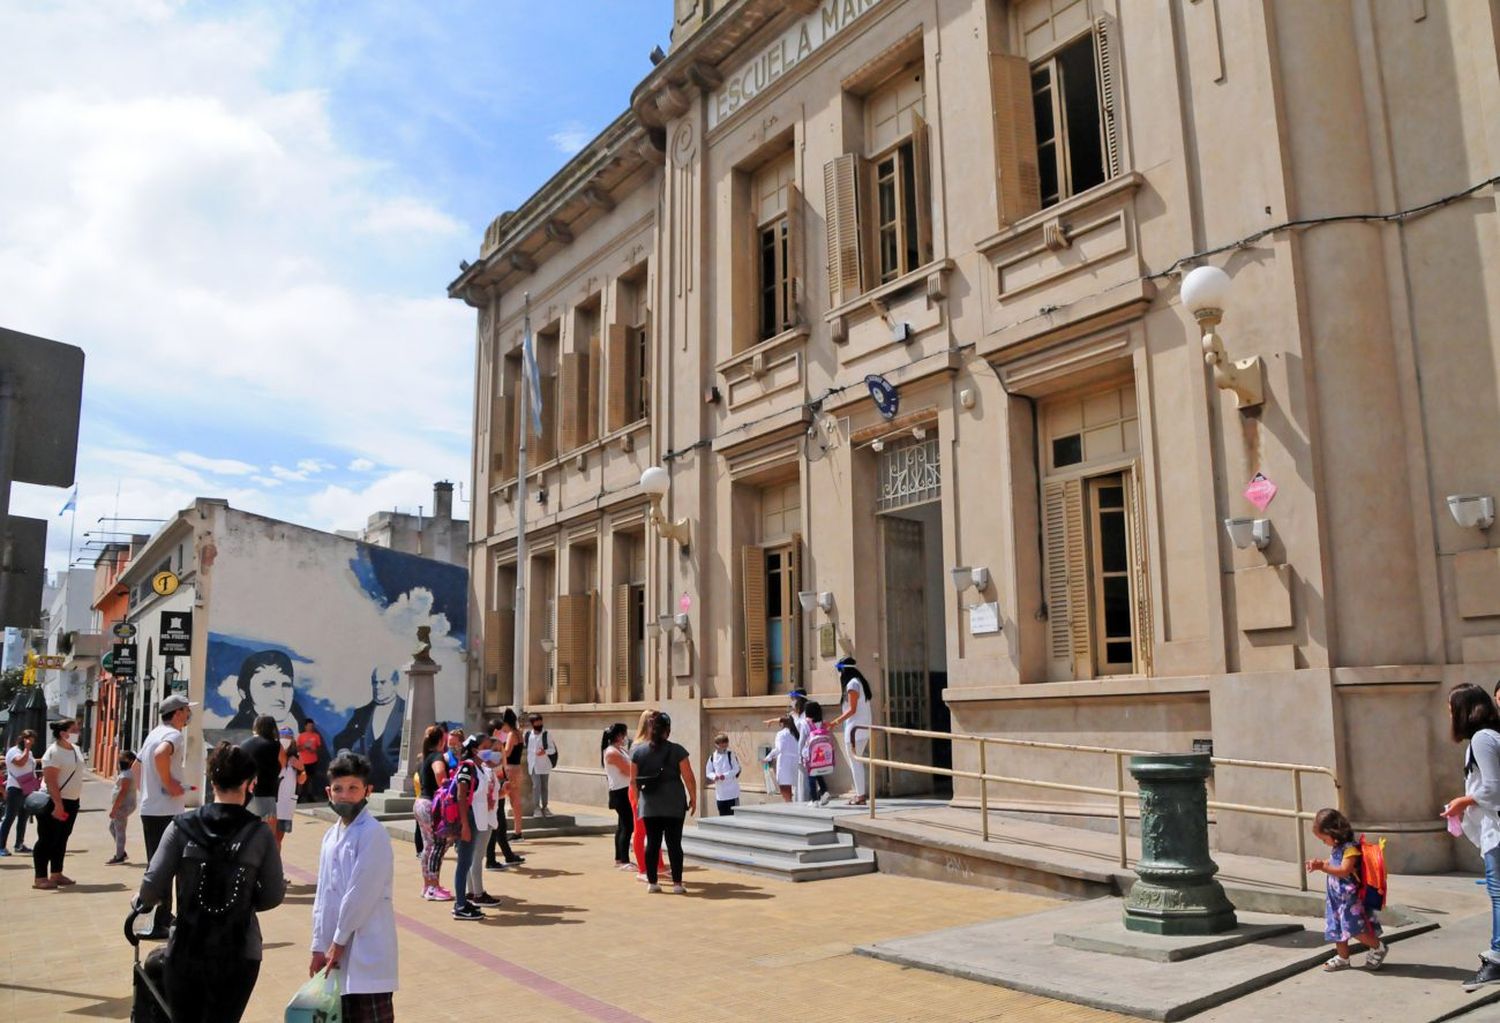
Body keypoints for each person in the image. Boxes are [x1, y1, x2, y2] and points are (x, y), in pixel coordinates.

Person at [134, 741, 284, 1022]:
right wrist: (242, 901)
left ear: (211, 780)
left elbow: (152, 884)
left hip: (187, 948)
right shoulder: (260, 834)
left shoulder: (180, 826)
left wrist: (141, 903)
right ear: (250, 784)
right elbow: (275, 894)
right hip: (240, 950)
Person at [311, 752, 399, 1023]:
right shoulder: (330, 835)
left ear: (367, 791)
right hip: (333, 950)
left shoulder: (372, 834)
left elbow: (361, 893)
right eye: (338, 789)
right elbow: (322, 894)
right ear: (328, 792)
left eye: (353, 788)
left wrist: (338, 941)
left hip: (365, 946)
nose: (345, 795)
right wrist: (318, 944)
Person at [1442, 682, 1500, 990]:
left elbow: (1492, 788)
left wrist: (1463, 801)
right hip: (1494, 828)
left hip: (1497, 831)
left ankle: (1498, 957)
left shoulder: (1482, 739)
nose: (1449, 714)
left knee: (1498, 893)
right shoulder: (1489, 737)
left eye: (1451, 708)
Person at [225, 650, 329, 795]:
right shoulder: (237, 731)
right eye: (268, 684)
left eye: (286, 685)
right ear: (243, 691)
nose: (280, 695)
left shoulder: (304, 726)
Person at [139, 694, 195, 936]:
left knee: (157, 863)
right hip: (166, 810)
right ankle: (161, 921)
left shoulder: (154, 732)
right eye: (186, 710)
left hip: (151, 808)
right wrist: (169, 783)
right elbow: (160, 755)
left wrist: (146, 790)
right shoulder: (173, 735)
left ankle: (161, 916)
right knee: (170, 865)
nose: (188, 714)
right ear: (178, 712)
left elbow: (137, 764)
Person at [1305, 807, 1387, 972]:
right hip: (1336, 898)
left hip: (1350, 900)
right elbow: (1331, 863)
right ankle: (1343, 958)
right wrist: (1320, 863)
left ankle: (1378, 947)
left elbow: (1344, 871)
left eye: (1323, 839)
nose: (1324, 842)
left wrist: (1322, 867)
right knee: (1337, 929)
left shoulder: (1350, 849)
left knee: (1354, 929)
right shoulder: (1337, 847)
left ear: (1333, 833)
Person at [630, 711, 697, 894]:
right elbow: (688, 777)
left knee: (652, 842)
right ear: (668, 731)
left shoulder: (638, 752)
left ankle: (652, 882)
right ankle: (677, 883)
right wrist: (693, 798)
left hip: (650, 803)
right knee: (674, 844)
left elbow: (632, 781)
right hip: (674, 803)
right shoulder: (677, 750)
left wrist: (637, 803)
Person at [33, 718, 86, 890]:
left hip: (72, 801)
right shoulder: (53, 752)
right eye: (74, 729)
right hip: (55, 801)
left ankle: (56, 872)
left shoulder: (75, 749)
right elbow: (51, 781)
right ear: (63, 733)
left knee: (62, 838)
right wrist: (58, 804)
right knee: (47, 839)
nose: (78, 732)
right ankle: (40, 877)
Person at [332, 668, 406, 791]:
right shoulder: (362, 713)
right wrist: (343, 751)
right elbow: (342, 738)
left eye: (383, 682)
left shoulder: (407, 711)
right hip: (365, 784)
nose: (377, 687)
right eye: (374, 682)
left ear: (395, 683)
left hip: (394, 785)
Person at [414, 724, 453, 901]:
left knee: (428, 846)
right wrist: (446, 787)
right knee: (438, 845)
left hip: (421, 803)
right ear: (442, 740)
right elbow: (440, 772)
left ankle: (427, 885)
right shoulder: (437, 756)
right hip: (432, 804)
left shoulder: (424, 757)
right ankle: (434, 887)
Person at [828, 657, 875, 806]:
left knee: (855, 763)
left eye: (840, 671)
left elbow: (852, 709)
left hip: (855, 730)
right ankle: (860, 794)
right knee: (857, 762)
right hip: (860, 729)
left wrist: (834, 722)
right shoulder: (858, 682)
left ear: (844, 670)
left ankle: (860, 796)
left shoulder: (852, 684)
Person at [465, 734, 502, 907]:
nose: (493, 754)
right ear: (475, 750)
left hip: (485, 817)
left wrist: (504, 792)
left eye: (496, 750)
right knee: (476, 857)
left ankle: (472, 892)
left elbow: (492, 795)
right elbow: (466, 794)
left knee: (474, 857)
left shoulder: (486, 771)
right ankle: (478, 893)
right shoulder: (472, 769)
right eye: (489, 749)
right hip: (478, 817)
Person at [450, 734, 485, 920]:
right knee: (463, 863)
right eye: (485, 747)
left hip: (474, 818)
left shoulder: (477, 767)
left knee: (467, 861)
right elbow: (460, 796)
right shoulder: (467, 766)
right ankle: (460, 905)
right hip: (468, 818)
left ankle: (463, 900)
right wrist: (464, 825)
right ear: (474, 749)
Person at [484, 718, 525, 870]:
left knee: (500, 823)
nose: (505, 733)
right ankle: (491, 860)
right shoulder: (488, 747)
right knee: (495, 823)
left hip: (499, 784)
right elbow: (492, 764)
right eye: (501, 731)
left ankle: (507, 855)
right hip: (493, 786)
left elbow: (503, 764)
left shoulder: (496, 745)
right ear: (496, 731)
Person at [240, 714, 283, 833]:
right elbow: (282, 765)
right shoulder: (275, 746)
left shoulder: (244, 744)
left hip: (245, 796)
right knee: (268, 836)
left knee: (247, 833)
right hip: (267, 794)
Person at [0, 728, 38, 855]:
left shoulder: (29, 753)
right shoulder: (13, 752)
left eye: (32, 742)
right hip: (15, 788)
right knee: (9, 817)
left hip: (26, 789)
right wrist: (27, 749)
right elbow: (20, 763)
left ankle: (19, 844)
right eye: (28, 741)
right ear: (21, 739)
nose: (30, 743)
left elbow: (31, 767)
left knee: (23, 817)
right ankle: (1, 846)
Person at [602, 723, 634, 866]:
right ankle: (624, 860)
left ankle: (619, 858)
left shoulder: (619, 750)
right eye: (624, 734)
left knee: (623, 825)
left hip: (625, 790)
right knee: (627, 826)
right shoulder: (611, 752)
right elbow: (628, 770)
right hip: (619, 792)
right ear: (619, 735)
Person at [275, 727, 305, 853]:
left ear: (292, 740)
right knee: (269, 836)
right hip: (272, 800)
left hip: (287, 802)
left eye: (288, 737)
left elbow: (302, 780)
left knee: (279, 836)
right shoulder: (272, 752)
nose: (285, 740)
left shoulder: (296, 756)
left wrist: (301, 768)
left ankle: (275, 863)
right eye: (283, 737)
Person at [106, 750, 139, 864]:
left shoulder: (127, 774)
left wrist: (114, 809)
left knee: (119, 830)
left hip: (123, 806)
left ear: (130, 760)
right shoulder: (127, 773)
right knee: (112, 828)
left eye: (123, 759)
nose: (120, 761)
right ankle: (121, 852)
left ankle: (119, 856)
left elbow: (122, 792)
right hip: (122, 805)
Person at [499, 709, 525, 840]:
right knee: (516, 800)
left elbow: (507, 752)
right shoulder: (518, 733)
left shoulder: (511, 735)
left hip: (510, 769)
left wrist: (498, 749)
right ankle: (518, 830)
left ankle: (517, 831)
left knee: (513, 800)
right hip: (517, 768)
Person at [802, 701, 835, 806]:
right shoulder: (822, 723)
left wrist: (800, 753)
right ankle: (824, 791)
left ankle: (814, 799)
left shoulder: (805, 723)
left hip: (810, 753)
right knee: (818, 773)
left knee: (811, 775)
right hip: (822, 755)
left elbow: (802, 739)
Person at [525, 714, 557, 816]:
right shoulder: (528, 735)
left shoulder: (546, 734)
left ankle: (545, 807)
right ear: (532, 723)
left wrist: (545, 752)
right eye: (537, 722)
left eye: (540, 722)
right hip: (533, 764)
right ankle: (536, 808)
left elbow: (553, 749)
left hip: (544, 764)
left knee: (544, 786)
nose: (539, 724)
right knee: (536, 785)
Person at [766, 715, 801, 803]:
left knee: (784, 786)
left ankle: (788, 803)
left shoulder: (781, 734)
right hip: (795, 761)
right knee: (795, 784)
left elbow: (779, 748)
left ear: (782, 724)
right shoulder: (796, 733)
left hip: (784, 762)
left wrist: (768, 757)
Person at [705, 733, 741, 817]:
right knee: (723, 817)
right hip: (720, 794)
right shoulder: (712, 757)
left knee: (734, 817)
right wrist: (714, 776)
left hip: (732, 793)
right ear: (717, 744)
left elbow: (736, 769)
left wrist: (725, 775)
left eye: (726, 742)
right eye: (722, 743)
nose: (725, 744)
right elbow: (708, 772)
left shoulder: (731, 754)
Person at [296, 719, 323, 803]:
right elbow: (297, 748)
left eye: (312, 726)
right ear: (305, 726)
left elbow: (320, 748)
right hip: (303, 762)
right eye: (309, 726)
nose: (311, 727)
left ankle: (309, 795)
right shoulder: (301, 736)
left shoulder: (316, 736)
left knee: (310, 779)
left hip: (313, 761)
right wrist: (304, 746)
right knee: (301, 779)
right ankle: (299, 796)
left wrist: (314, 750)